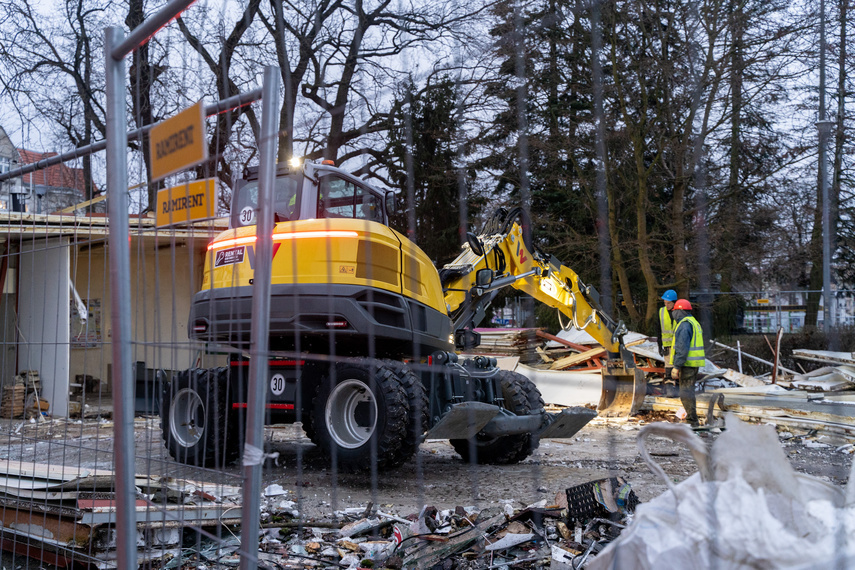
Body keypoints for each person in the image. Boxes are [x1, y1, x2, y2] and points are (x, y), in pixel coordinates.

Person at [669, 299, 705, 427]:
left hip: (687, 365)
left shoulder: (684, 325)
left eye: (674, 311)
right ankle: (692, 420)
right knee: (688, 392)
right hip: (692, 364)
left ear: (680, 311)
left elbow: (682, 348)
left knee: (686, 393)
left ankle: (692, 421)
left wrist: (676, 366)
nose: (673, 314)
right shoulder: (693, 322)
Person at [659, 290, 678, 381]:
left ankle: (678, 387)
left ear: (674, 302)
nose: (666, 305)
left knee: (678, 367)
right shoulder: (661, 311)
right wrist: (660, 346)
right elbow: (658, 329)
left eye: (669, 303)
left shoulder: (680, 312)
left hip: (678, 345)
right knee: (669, 368)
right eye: (665, 303)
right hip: (667, 346)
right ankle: (670, 389)